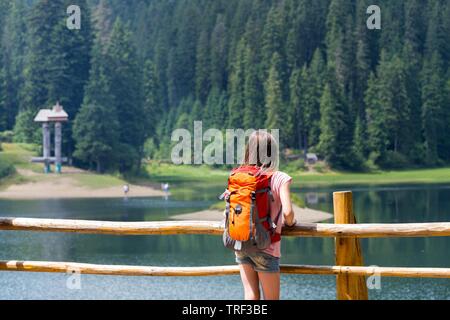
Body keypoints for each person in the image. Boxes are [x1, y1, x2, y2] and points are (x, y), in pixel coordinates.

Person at [233, 131, 296, 300]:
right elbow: (288, 213)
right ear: (272, 153)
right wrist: (291, 222)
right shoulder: (279, 177)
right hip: (266, 247)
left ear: (249, 150)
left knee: (251, 294)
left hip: (241, 242)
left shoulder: (239, 176)